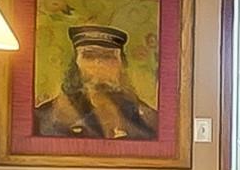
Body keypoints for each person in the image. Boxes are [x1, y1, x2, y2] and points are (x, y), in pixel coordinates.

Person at [33, 24, 161, 141]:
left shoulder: (150, 120)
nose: (98, 65)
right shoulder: (44, 117)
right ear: (75, 64)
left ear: (122, 65)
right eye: (89, 56)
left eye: (107, 56)